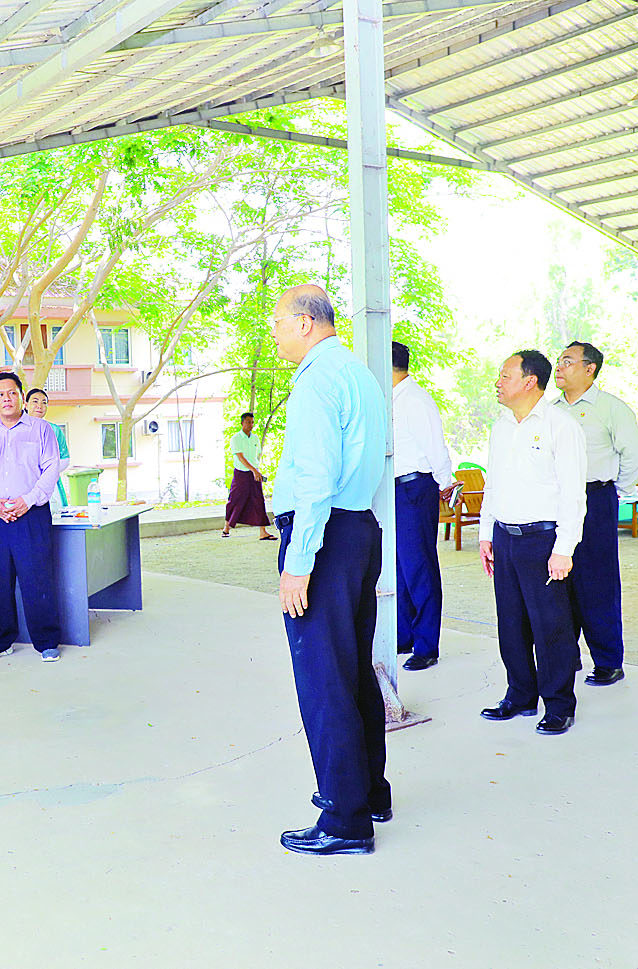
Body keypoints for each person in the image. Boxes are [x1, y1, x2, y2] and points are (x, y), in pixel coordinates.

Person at [268, 285, 389, 857]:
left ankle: (345, 819)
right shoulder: (359, 374)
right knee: (354, 669)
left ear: (305, 322)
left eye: (278, 321)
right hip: (358, 529)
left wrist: (299, 563)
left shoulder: (317, 380)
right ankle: (370, 793)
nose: (274, 332)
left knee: (324, 679)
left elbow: (316, 478)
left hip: (325, 538)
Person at [478, 351, 586, 736]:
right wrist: (486, 533)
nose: (498, 382)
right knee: (511, 623)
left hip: (543, 540)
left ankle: (558, 705)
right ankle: (520, 695)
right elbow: (494, 485)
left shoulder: (561, 426)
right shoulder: (501, 427)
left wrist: (564, 549)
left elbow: (573, 492)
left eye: (505, 375)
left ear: (530, 381)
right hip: (505, 538)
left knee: (551, 626)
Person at [553, 341, 638, 687]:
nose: (559, 367)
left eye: (567, 361)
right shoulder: (550, 410)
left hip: (595, 499)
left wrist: (612, 489)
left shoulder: (610, 408)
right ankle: (566, 656)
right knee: (560, 582)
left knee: (597, 582)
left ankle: (608, 662)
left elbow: (634, 453)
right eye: (559, 361)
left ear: (589, 369)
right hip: (558, 503)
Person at [0, 372, 63, 663]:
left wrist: (28, 500)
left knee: (37, 578)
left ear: (21, 396)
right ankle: (1, 640)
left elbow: (51, 468)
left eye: (11, 393)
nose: (6, 399)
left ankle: (46, 641)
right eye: (0, 394)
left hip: (32, 514)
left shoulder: (41, 429)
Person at [391, 342, 458, 672]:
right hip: (395, 490)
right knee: (400, 568)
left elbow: (435, 446)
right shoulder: (392, 399)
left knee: (419, 567)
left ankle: (427, 645)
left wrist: (446, 482)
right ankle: (404, 635)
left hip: (415, 488)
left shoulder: (415, 399)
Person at [222, 412, 274, 540]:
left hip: (254, 473)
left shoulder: (255, 438)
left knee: (258, 500)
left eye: (252, 422)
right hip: (241, 473)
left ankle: (263, 532)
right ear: (242, 423)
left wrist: (256, 470)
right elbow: (240, 457)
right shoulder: (236, 438)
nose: (251, 425)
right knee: (235, 499)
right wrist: (253, 470)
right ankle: (226, 527)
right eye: (248, 422)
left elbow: (256, 456)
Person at [24, 388, 70, 505]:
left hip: (50, 486)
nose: (39, 406)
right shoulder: (17, 429)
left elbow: (65, 459)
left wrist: (46, 473)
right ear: (26, 404)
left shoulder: (54, 430)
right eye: (35, 401)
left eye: (44, 402)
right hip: (23, 485)